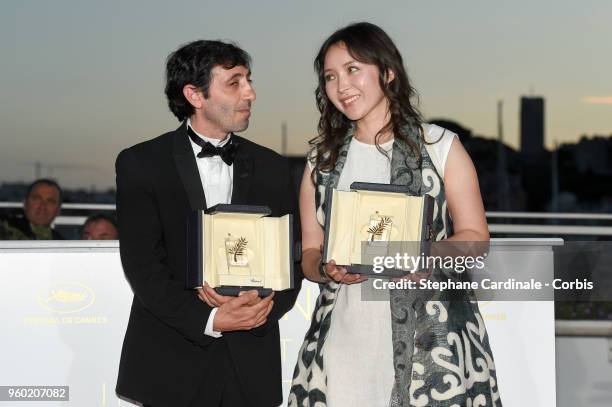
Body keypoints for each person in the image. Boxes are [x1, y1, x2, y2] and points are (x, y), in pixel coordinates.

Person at [289, 22, 501, 407]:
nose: (341, 86)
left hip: (432, 342)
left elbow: (476, 238)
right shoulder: (320, 161)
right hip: (344, 338)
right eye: (330, 77)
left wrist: (420, 254)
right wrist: (327, 269)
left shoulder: (439, 146)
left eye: (353, 69)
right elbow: (309, 255)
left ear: (387, 72)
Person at [115, 40, 301, 407]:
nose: (251, 92)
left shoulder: (274, 167)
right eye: (234, 82)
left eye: (248, 80)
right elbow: (143, 267)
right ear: (194, 95)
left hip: (250, 369)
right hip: (171, 364)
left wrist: (264, 306)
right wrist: (212, 319)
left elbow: (290, 261)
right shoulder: (141, 162)